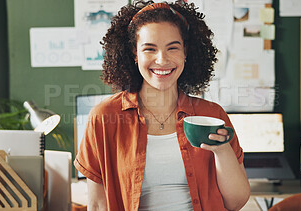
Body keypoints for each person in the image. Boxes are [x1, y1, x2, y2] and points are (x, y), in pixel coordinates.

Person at [74, 1, 250, 210]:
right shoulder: (103, 117)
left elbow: (236, 202)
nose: (162, 59)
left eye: (172, 48)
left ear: (185, 52)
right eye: (149, 49)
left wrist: (222, 151)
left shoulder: (211, 115)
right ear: (134, 53)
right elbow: (97, 204)